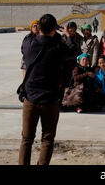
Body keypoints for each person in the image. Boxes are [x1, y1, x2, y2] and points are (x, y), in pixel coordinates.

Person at [18, 13, 70, 166]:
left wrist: (39, 33)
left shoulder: (29, 44)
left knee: (26, 139)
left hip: (31, 97)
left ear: (38, 27)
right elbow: (71, 51)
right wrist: (65, 35)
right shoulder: (58, 48)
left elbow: (25, 44)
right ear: (54, 29)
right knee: (47, 139)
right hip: (50, 99)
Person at [61, 21, 83, 87]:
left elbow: (80, 49)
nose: (72, 32)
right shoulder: (63, 37)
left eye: (73, 30)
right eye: (70, 30)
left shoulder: (79, 37)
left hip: (75, 61)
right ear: (67, 30)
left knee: (74, 77)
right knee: (65, 78)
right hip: (65, 61)